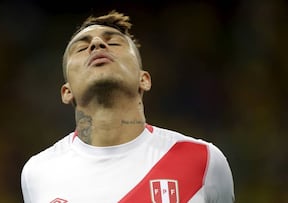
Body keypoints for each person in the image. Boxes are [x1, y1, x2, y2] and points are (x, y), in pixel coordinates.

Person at [21, 10, 234, 203]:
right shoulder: (38, 173)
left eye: (113, 43)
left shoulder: (203, 161)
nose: (96, 44)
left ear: (144, 79)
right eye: (82, 48)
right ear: (67, 92)